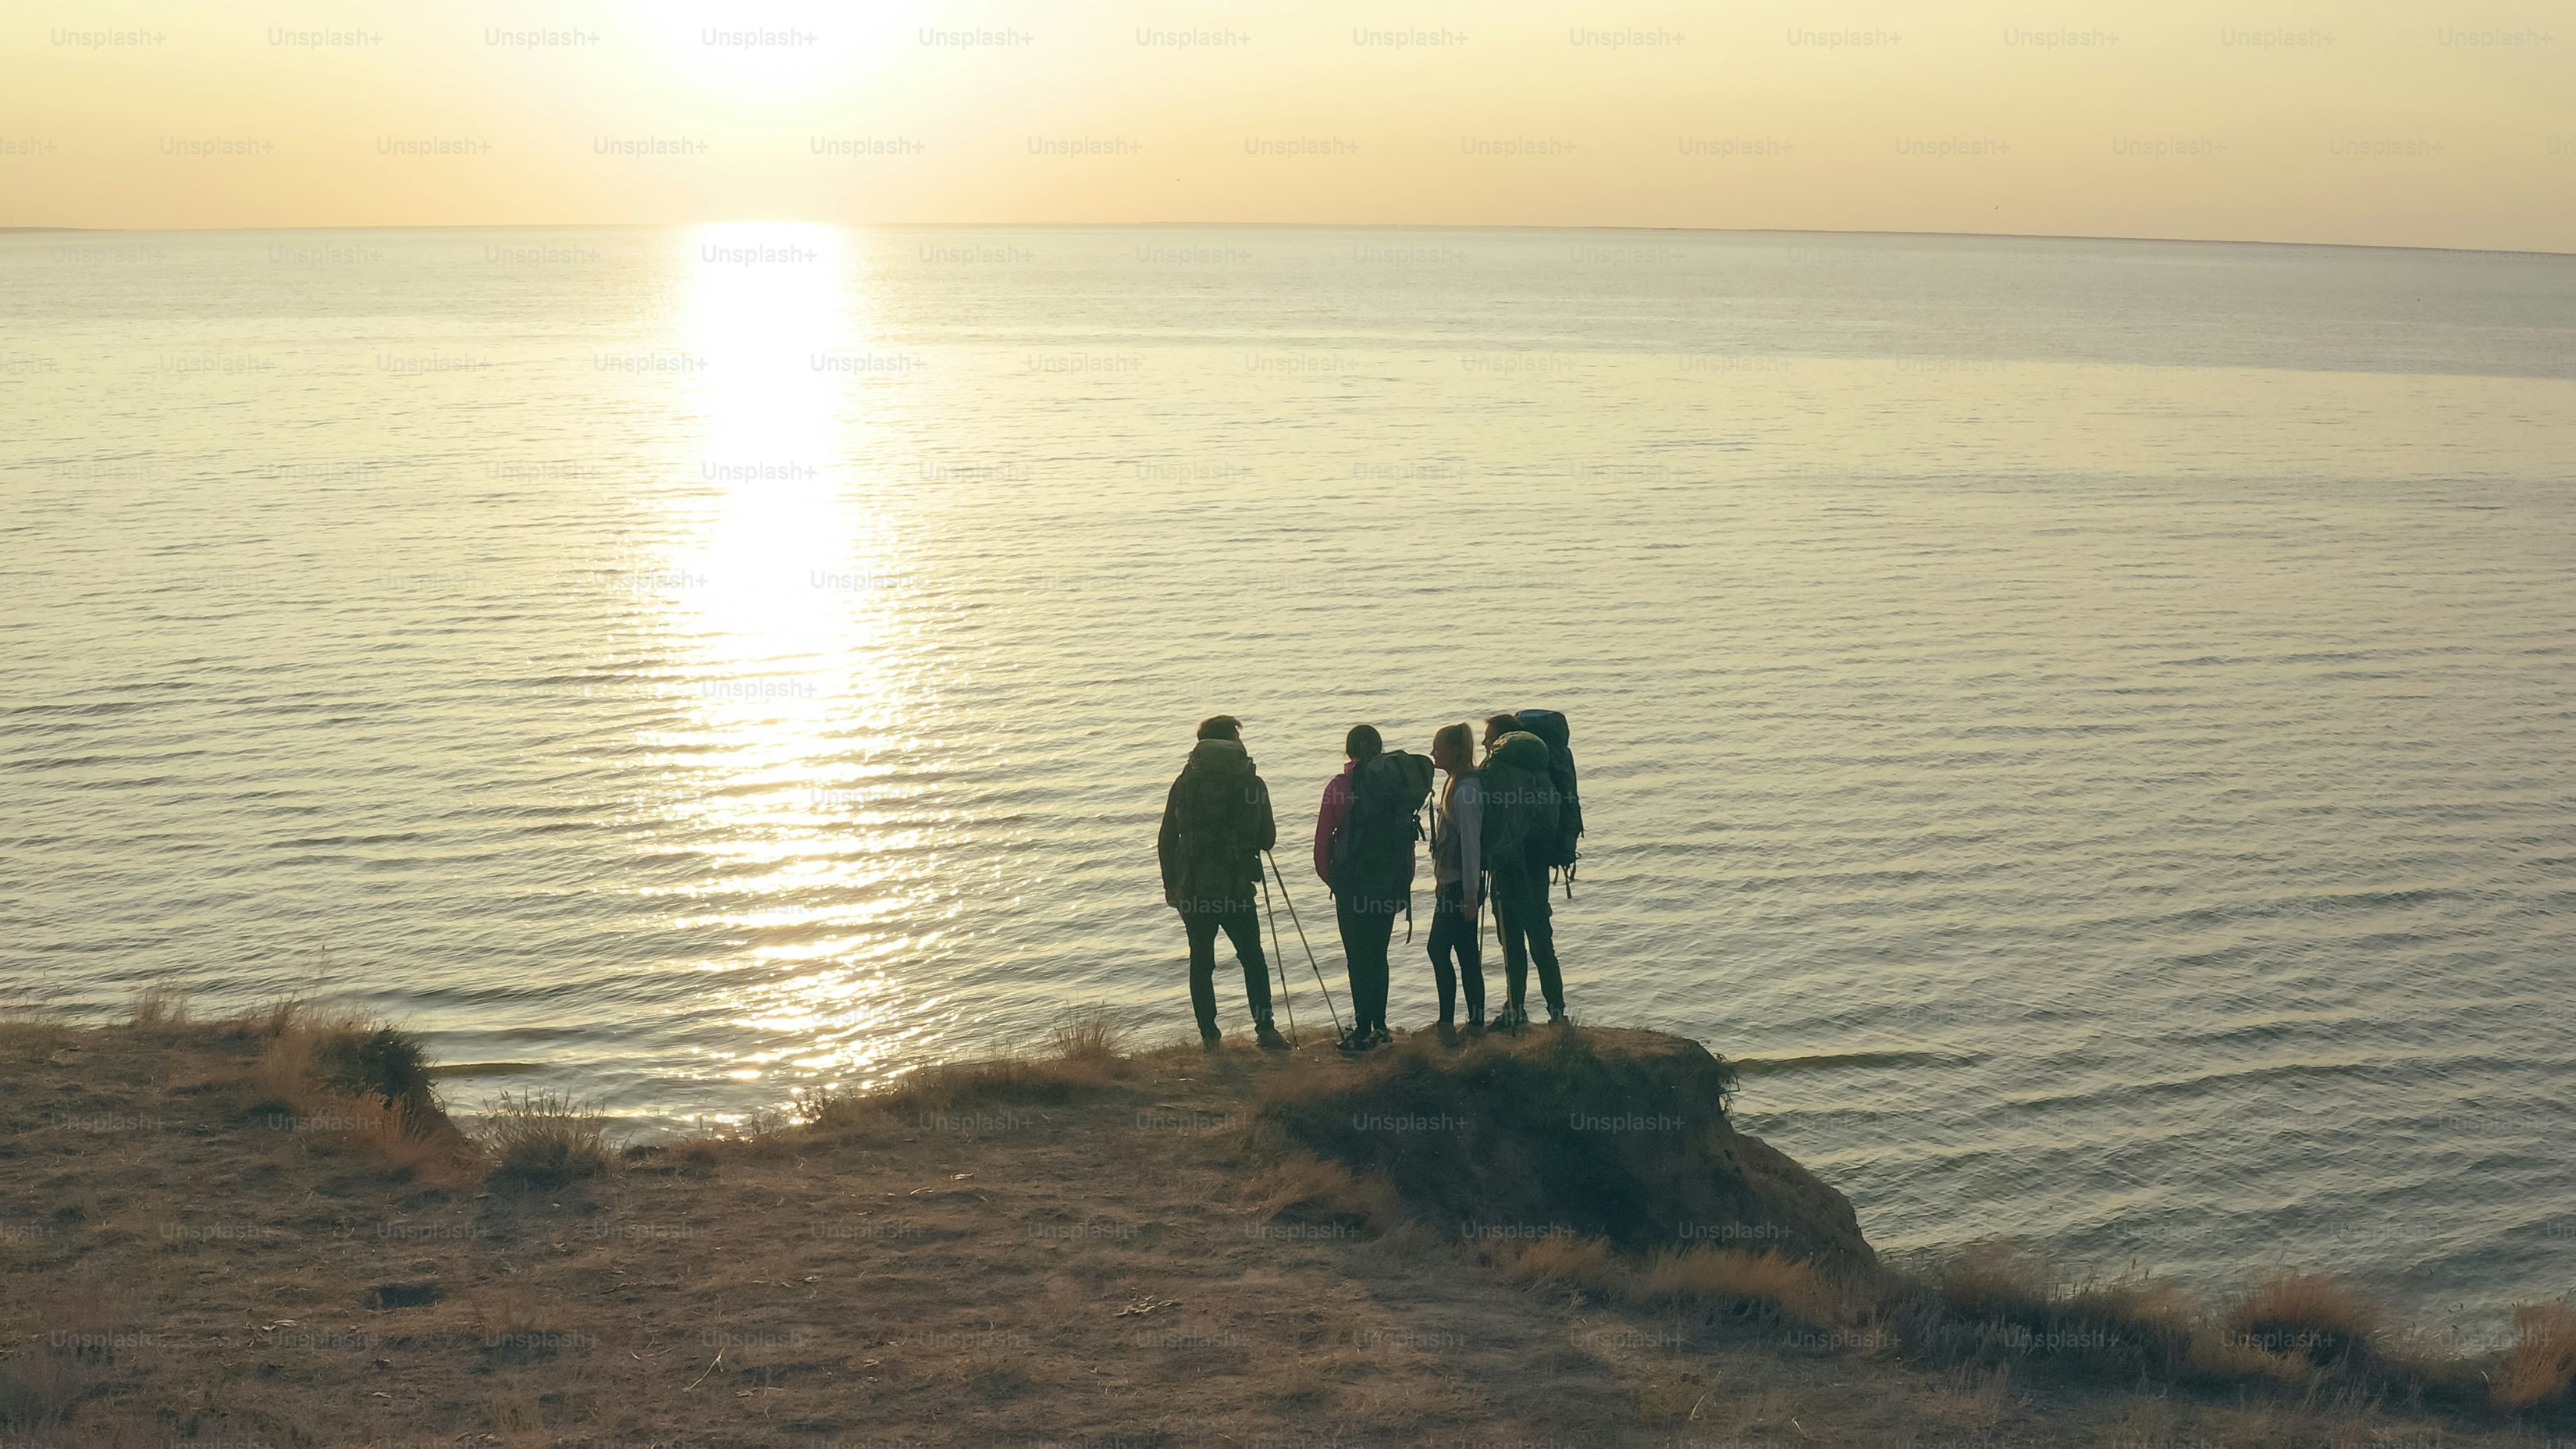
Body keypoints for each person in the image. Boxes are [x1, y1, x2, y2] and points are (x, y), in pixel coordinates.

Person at [1157, 715, 1289, 1051]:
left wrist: (1170, 884)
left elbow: (1166, 838)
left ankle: (1210, 1036)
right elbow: (1268, 838)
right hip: (1237, 887)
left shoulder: (1184, 783)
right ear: (1233, 742)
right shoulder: (1251, 784)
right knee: (1252, 957)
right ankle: (1265, 1028)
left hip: (1195, 887)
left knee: (1201, 961)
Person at [1314, 724, 1410, 1052]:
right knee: (1379, 956)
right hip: (1386, 886)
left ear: (1348, 750)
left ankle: (1363, 1028)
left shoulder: (1338, 788)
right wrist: (1400, 884)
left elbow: (1320, 850)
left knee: (1358, 958)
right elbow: (1406, 842)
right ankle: (1381, 1027)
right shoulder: (1395, 786)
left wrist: (1338, 885)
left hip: (1352, 890)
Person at [1481, 714, 1567, 1029]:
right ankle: (1557, 1012)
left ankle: (1515, 1010)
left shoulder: (1499, 769)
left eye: (1488, 736)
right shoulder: (1542, 769)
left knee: (1512, 942)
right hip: (1537, 863)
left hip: (1508, 865)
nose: (1484, 742)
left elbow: (1487, 819)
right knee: (1542, 940)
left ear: (1502, 738)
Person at [1425, 722, 1485, 1041]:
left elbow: (1471, 846)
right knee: (1465, 953)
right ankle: (1474, 1024)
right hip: (1453, 885)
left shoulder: (1466, 791)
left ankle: (1448, 1024)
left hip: (1461, 887)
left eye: (1439, 746)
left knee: (1438, 949)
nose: (1433, 752)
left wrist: (1470, 896)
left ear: (1456, 750)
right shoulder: (1454, 783)